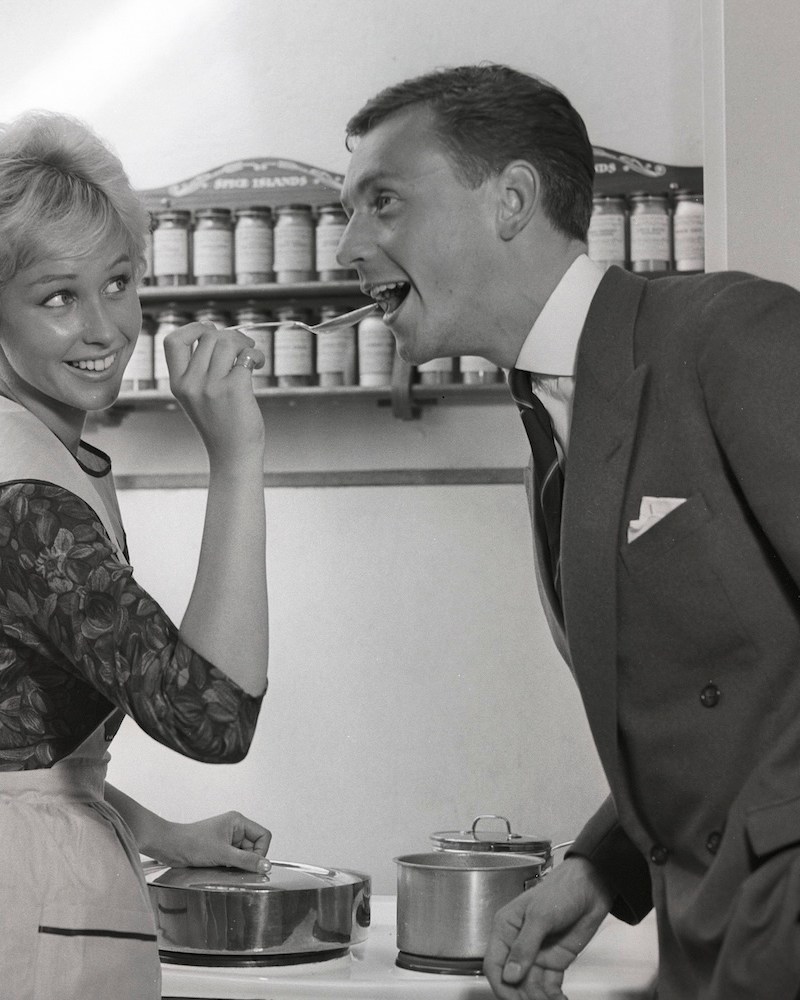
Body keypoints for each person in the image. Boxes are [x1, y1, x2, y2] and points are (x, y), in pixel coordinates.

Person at [337, 63, 800, 999]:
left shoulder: (734, 334)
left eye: (383, 202)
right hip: (709, 951)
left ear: (511, 200)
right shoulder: (550, 434)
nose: (348, 246)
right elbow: (713, 717)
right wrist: (598, 869)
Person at [0, 110, 272, 1000]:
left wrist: (162, 833)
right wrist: (236, 456)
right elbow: (213, 717)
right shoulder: (26, 503)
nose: (105, 328)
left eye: (118, 283)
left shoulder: (36, 455)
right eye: (58, 297)